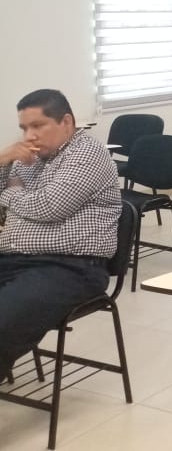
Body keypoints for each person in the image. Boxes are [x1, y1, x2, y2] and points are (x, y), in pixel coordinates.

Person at [0, 89, 121, 378]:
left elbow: (48, 206)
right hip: (16, 260)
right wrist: (2, 160)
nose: (29, 136)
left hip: (71, 267)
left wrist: (11, 194)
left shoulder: (86, 152)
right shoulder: (30, 157)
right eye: (24, 128)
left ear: (66, 121)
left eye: (37, 126)